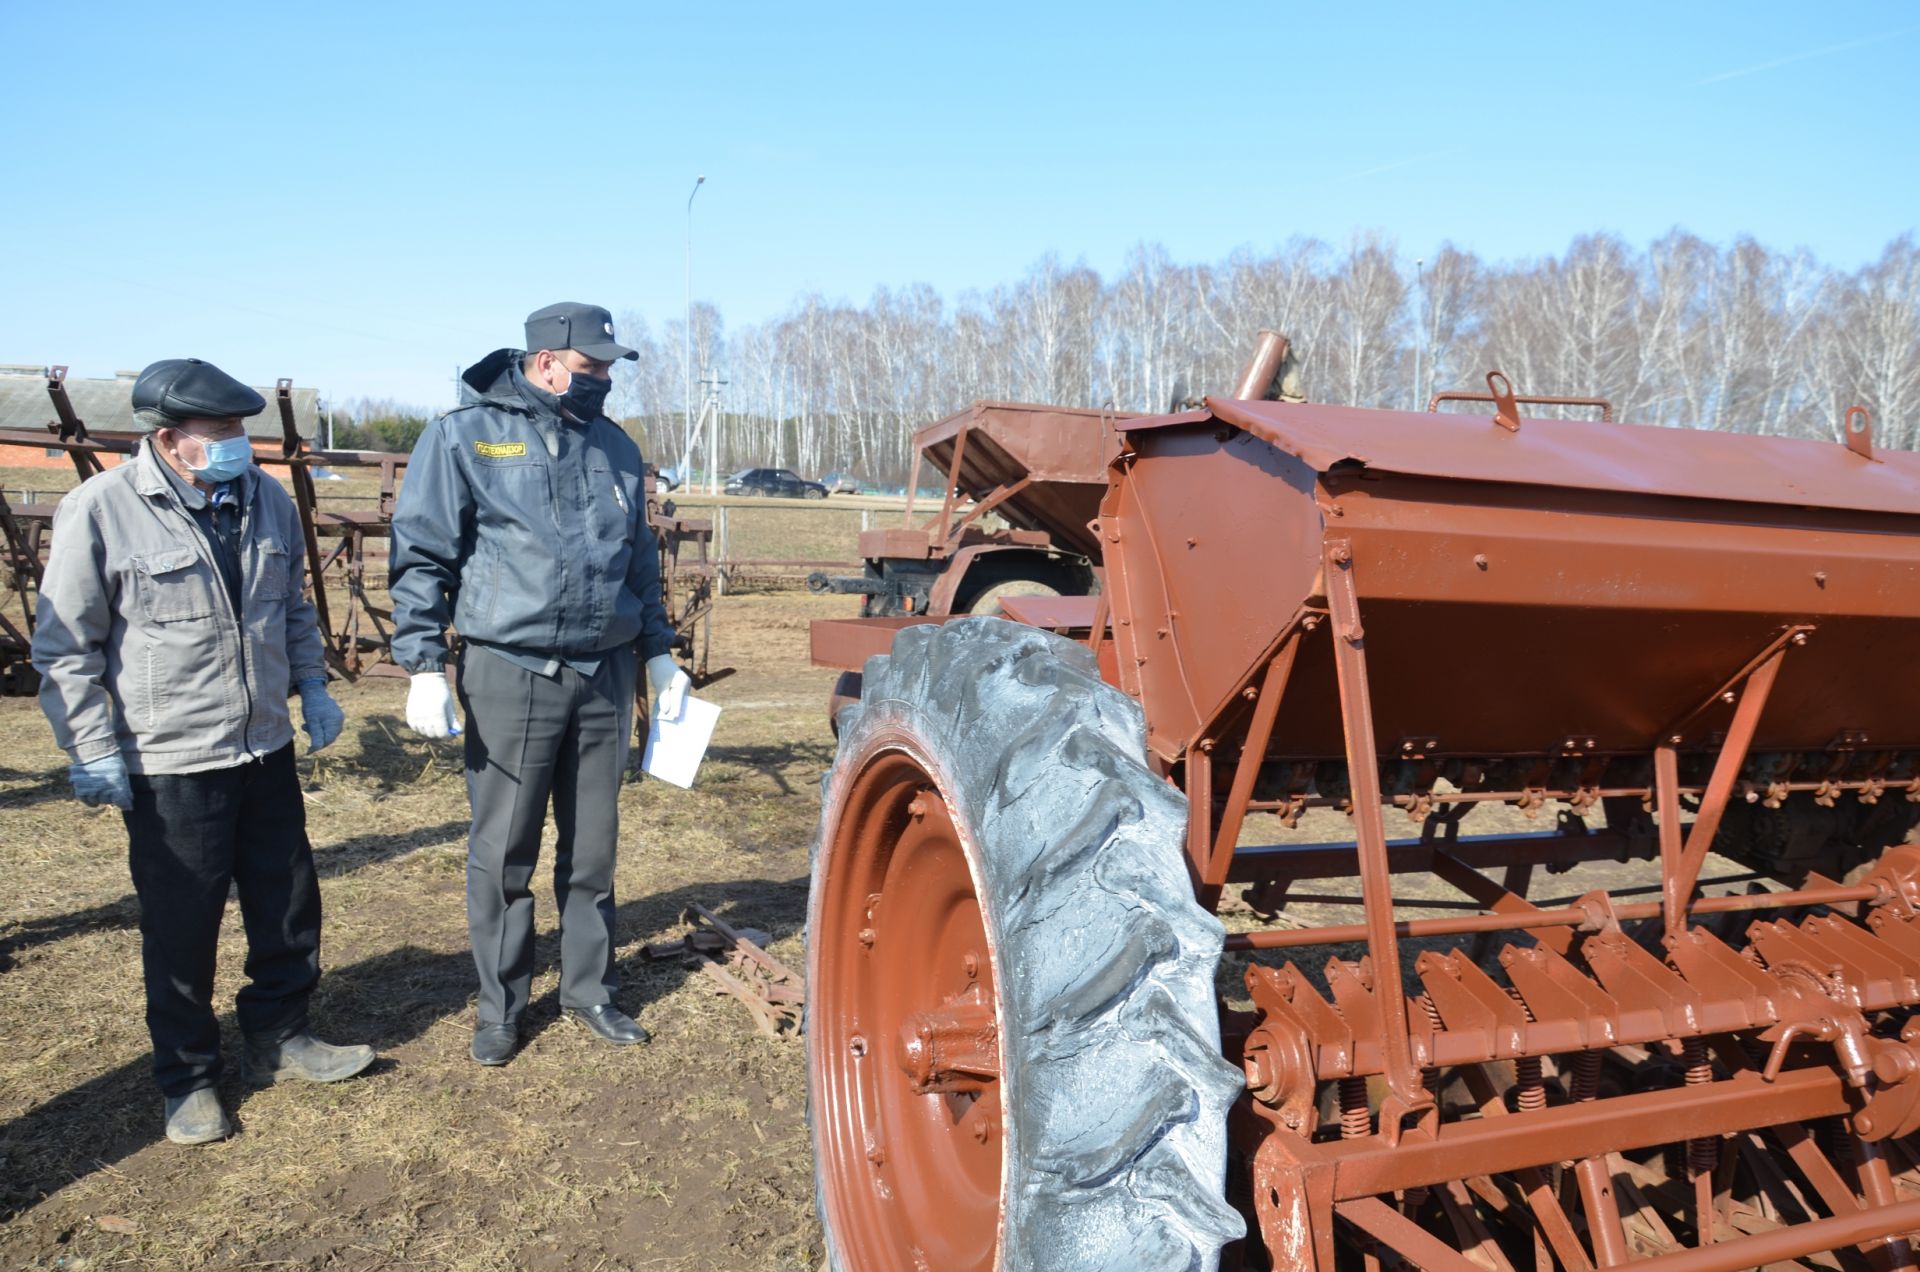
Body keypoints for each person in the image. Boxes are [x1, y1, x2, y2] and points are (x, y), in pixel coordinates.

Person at [30, 357, 374, 1145]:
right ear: (168, 439)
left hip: (263, 746)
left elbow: (290, 607)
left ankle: (280, 1039)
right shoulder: (102, 510)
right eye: (221, 433)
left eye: (240, 432)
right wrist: (90, 748)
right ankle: (187, 1080)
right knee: (182, 926)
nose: (237, 447)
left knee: (287, 905)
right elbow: (66, 647)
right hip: (171, 758)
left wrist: (314, 687)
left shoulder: (267, 500)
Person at [389, 303, 688, 1067]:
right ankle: (501, 1005)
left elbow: (639, 562)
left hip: (604, 672)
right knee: (505, 851)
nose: (605, 381)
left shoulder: (616, 448)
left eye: (611, 368)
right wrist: (423, 664)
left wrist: (659, 653)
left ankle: (589, 989)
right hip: (509, 669)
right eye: (593, 368)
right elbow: (423, 553)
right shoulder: (464, 436)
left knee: (593, 849)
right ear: (547, 361)